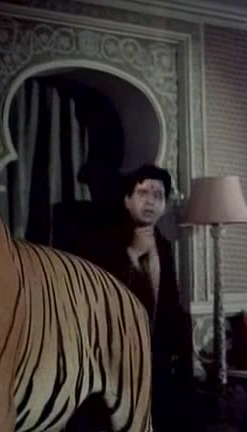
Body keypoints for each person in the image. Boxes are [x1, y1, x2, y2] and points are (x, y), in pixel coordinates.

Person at [81, 164, 197, 432]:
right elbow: (99, 298)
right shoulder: (105, 243)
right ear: (127, 200)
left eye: (158, 195)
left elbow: (170, 304)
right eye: (143, 192)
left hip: (157, 358)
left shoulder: (165, 246)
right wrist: (132, 255)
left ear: (164, 205)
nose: (151, 201)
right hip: (115, 357)